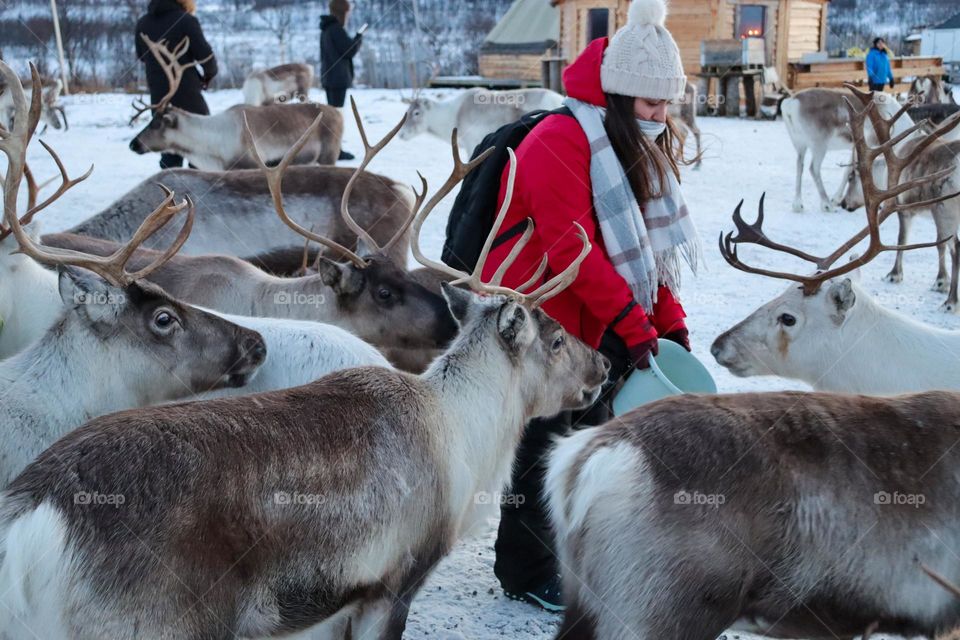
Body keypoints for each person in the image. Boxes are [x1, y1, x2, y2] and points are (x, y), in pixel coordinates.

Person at [482, 0, 700, 612]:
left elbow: (641, 248)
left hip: (591, 312)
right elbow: (567, 250)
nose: (663, 114)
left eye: (668, 102)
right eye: (652, 102)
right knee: (544, 443)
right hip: (539, 314)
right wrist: (633, 327)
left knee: (595, 439)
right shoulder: (560, 139)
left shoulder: (629, 139)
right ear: (621, 94)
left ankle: (577, 550)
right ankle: (524, 568)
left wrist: (668, 322)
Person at [134, 0, 217, 170]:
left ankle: (171, 193)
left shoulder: (143, 23)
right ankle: (198, 193)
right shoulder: (186, 21)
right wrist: (207, 76)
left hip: (160, 100)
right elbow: (207, 58)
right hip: (190, 99)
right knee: (199, 152)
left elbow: (142, 57)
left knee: (169, 151)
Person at [320, 0, 363, 161]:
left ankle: (333, 147)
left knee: (333, 114)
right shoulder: (336, 29)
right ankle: (335, 149)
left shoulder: (326, 29)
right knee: (336, 116)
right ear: (342, 12)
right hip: (337, 79)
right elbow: (349, 51)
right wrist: (359, 37)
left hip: (329, 77)